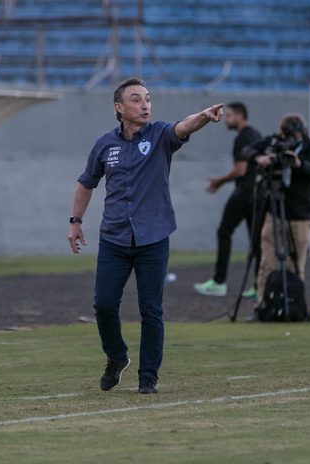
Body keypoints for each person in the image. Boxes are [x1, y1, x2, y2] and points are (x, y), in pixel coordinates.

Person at [68, 77, 224, 394]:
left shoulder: (160, 135)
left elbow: (183, 127)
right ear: (119, 107)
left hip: (153, 238)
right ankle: (116, 356)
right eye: (137, 99)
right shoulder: (104, 145)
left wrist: (204, 116)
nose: (145, 105)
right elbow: (87, 183)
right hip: (114, 237)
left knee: (151, 310)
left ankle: (147, 378)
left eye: (148, 99)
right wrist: (75, 221)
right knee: (104, 304)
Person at [246, 114, 310, 321]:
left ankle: (294, 306)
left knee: (296, 264)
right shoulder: (274, 142)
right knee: (268, 261)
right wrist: (260, 158)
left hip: (300, 213)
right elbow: (247, 150)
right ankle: (263, 307)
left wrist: (300, 164)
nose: (290, 139)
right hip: (274, 210)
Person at [193, 102, 263, 298]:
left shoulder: (242, 138)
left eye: (230, 115)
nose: (226, 119)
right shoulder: (256, 135)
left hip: (244, 192)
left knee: (224, 232)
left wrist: (219, 181)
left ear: (240, 116)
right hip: (258, 192)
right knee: (256, 241)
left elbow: (241, 170)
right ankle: (260, 285)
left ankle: (219, 282)